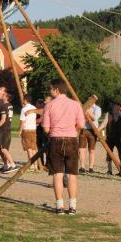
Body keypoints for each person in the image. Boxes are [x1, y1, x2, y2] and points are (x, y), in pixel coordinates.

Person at [42, 79, 85, 215]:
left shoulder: (49, 105)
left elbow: (46, 128)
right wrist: (73, 130)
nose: (50, 91)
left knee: (57, 174)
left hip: (55, 140)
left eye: (51, 89)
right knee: (72, 175)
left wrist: (52, 132)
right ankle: (72, 206)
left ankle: (59, 206)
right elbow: (81, 125)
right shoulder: (76, 104)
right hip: (71, 140)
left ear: (56, 90)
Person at [0, 87, 18, 173]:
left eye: (4, 95)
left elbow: (3, 119)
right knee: (2, 148)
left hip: (3, 129)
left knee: (3, 149)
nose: (2, 95)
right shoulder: (9, 105)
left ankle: (13, 165)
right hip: (7, 128)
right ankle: (6, 165)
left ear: (6, 97)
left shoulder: (4, 106)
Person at [78, 95, 102, 174]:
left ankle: (91, 168)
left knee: (91, 150)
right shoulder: (83, 107)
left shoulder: (97, 108)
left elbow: (94, 118)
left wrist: (87, 110)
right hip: (83, 129)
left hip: (92, 130)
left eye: (91, 99)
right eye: (88, 99)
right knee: (81, 149)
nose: (89, 101)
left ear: (93, 100)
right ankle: (82, 167)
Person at [101, 103, 121, 175]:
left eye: (117, 107)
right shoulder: (108, 115)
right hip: (110, 138)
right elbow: (103, 125)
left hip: (120, 138)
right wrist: (102, 135)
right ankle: (109, 170)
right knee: (109, 154)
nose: (115, 108)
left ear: (120, 108)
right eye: (114, 107)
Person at [19, 94, 39, 171]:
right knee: (33, 148)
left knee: (29, 148)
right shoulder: (34, 108)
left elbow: (22, 121)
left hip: (26, 130)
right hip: (33, 129)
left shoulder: (24, 109)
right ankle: (36, 165)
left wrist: (20, 130)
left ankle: (31, 165)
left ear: (25, 100)